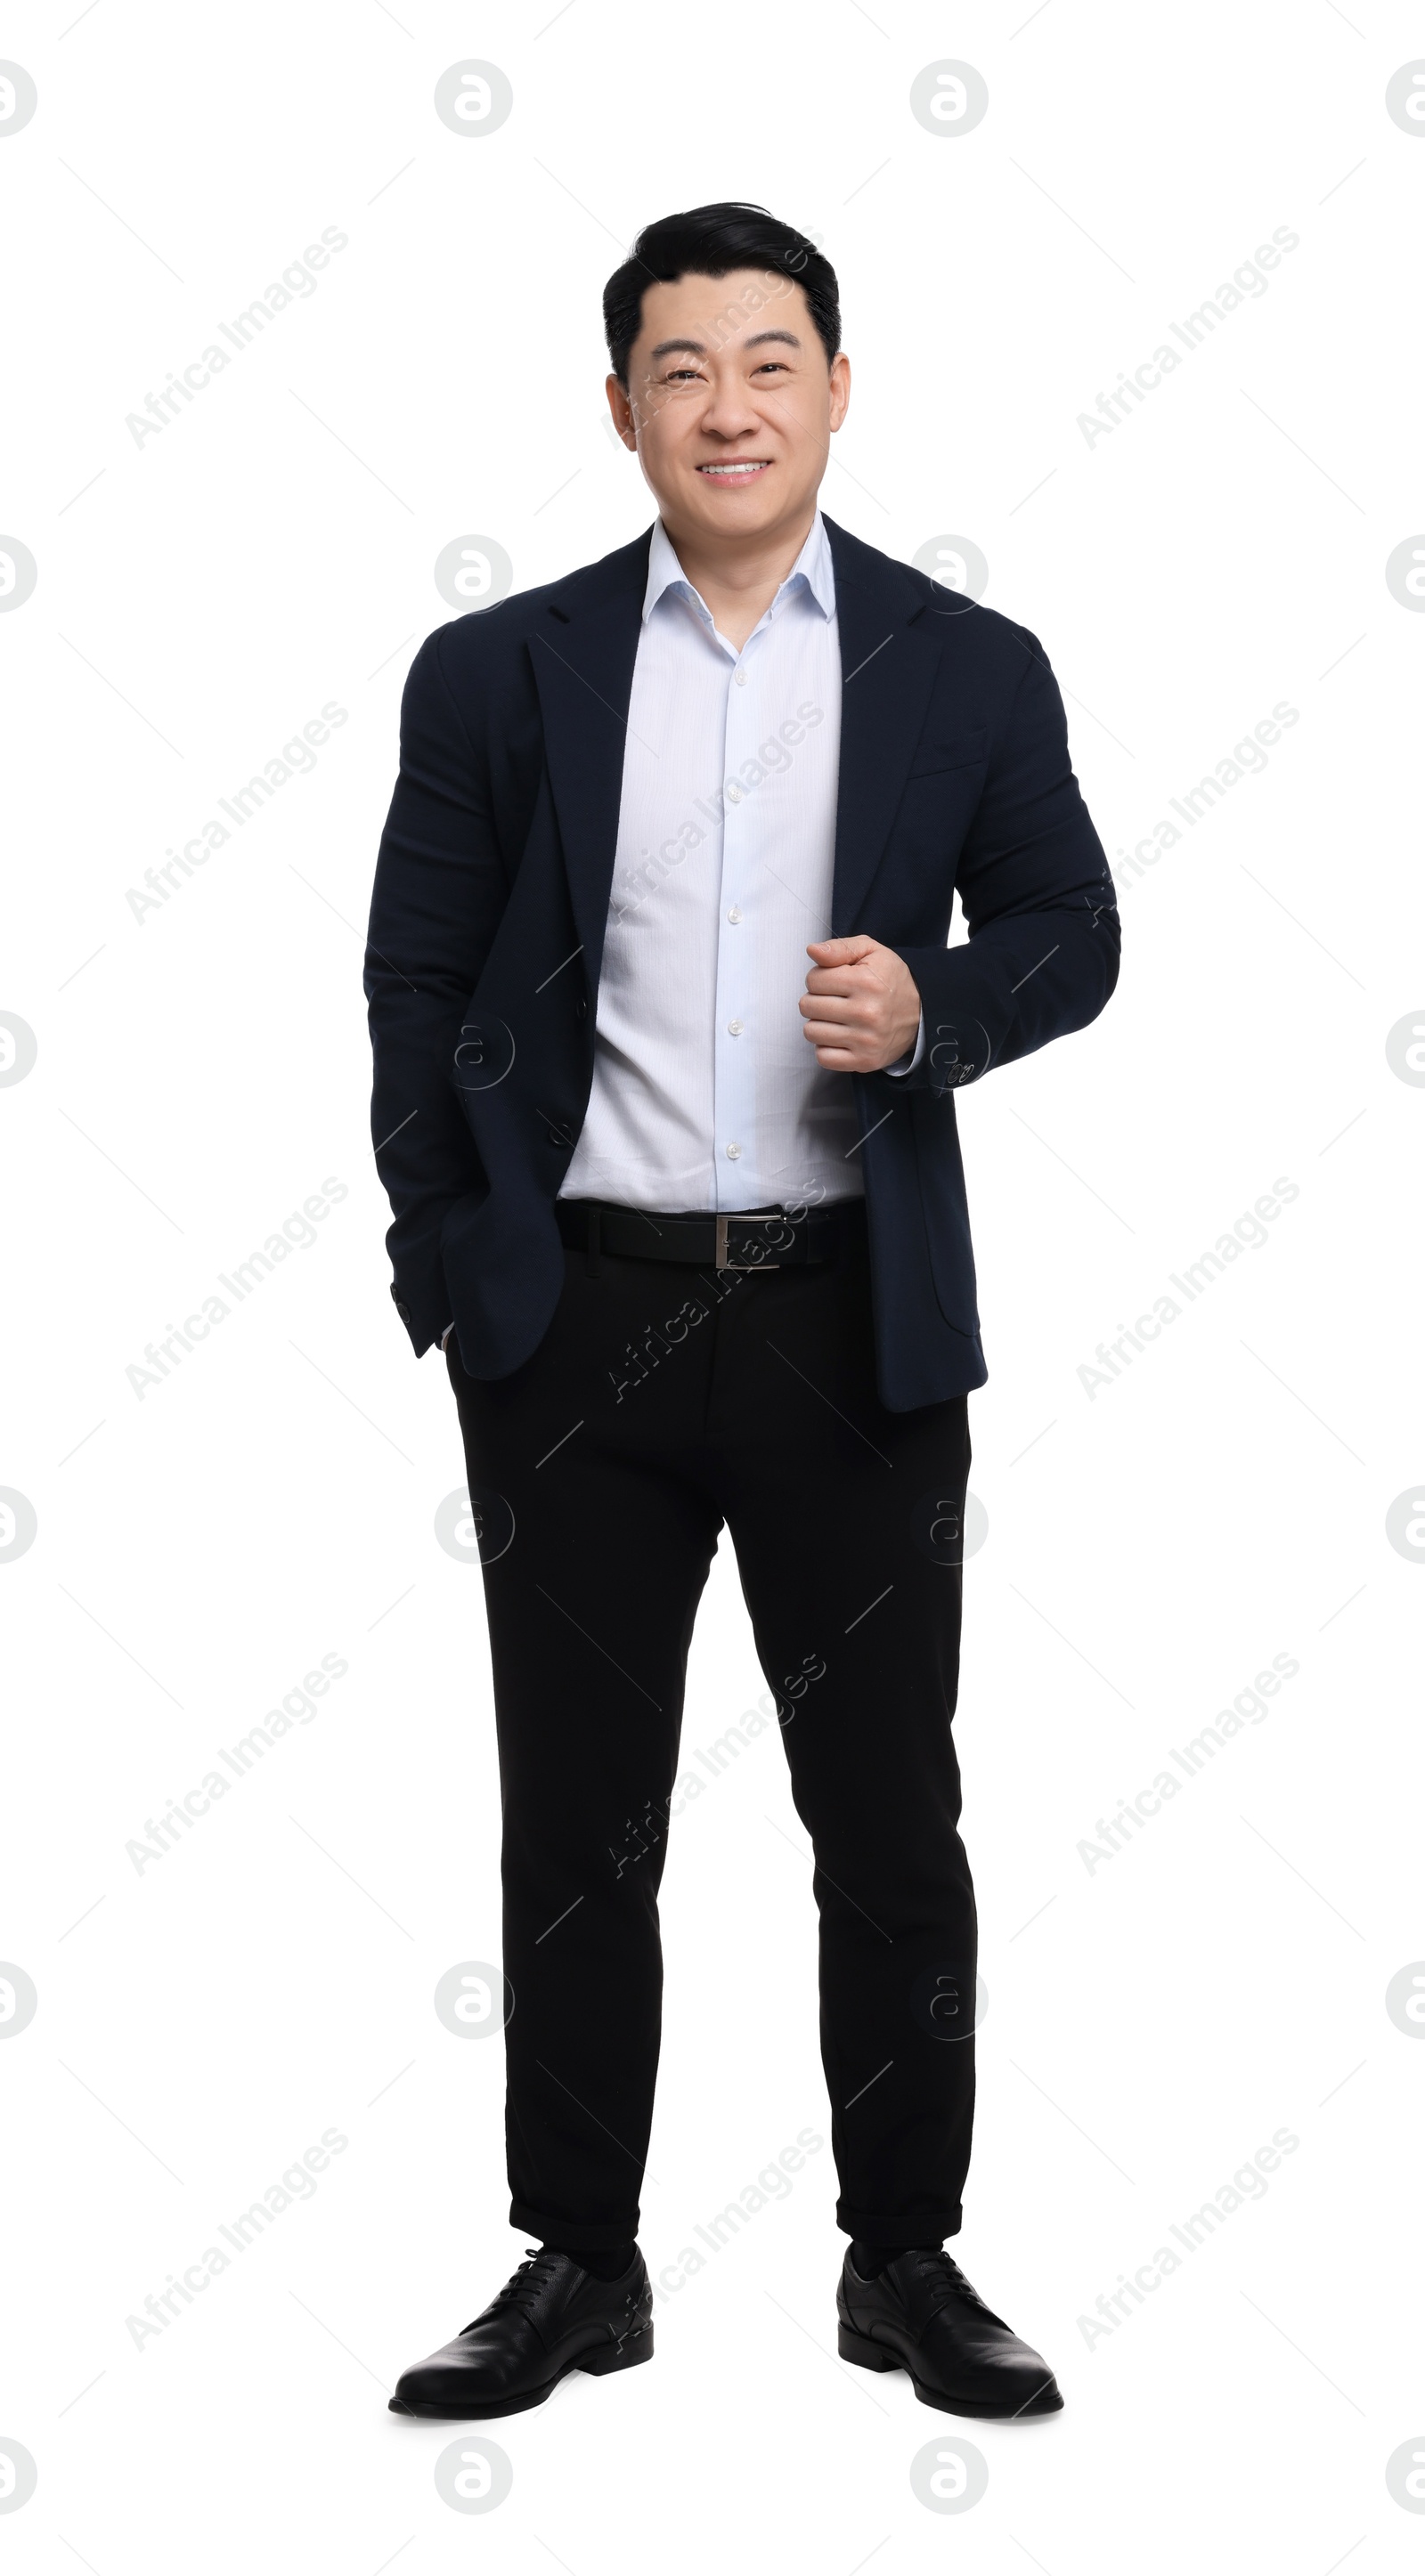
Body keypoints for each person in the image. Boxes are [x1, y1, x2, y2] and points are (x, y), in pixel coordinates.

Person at [366, 202, 1119, 2423]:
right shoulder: (497, 671)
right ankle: (576, 2263)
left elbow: (1074, 925)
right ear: (619, 410)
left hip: (843, 1328)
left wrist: (943, 1006)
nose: (727, 406)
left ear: (835, 390)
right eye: (678, 368)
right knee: (574, 1824)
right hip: (573, 1326)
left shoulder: (963, 666)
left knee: (885, 1817)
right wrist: (454, 1267)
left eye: (768, 361)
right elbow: (415, 983)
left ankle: (902, 2259)